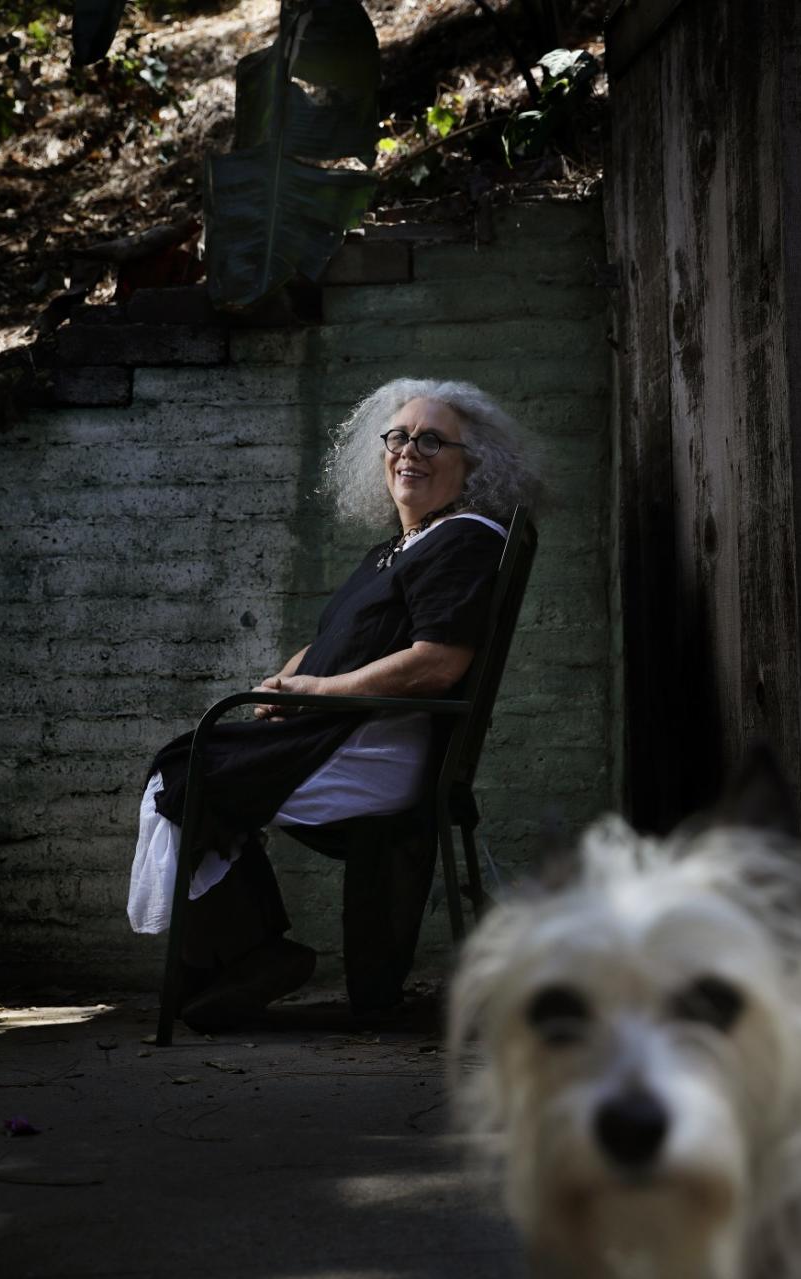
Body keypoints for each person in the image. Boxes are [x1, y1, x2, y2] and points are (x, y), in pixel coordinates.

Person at [127, 378, 541, 1032]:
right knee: (184, 770)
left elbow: (438, 662)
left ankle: (253, 954)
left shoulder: (463, 539)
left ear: (472, 463)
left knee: (187, 773)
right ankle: (242, 958)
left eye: (434, 439)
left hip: (374, 751)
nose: (411, 450)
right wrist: (280, 681)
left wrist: (314, 691)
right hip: (339, 735)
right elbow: (331, 643)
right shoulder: (395, 550)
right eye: (399, 436)